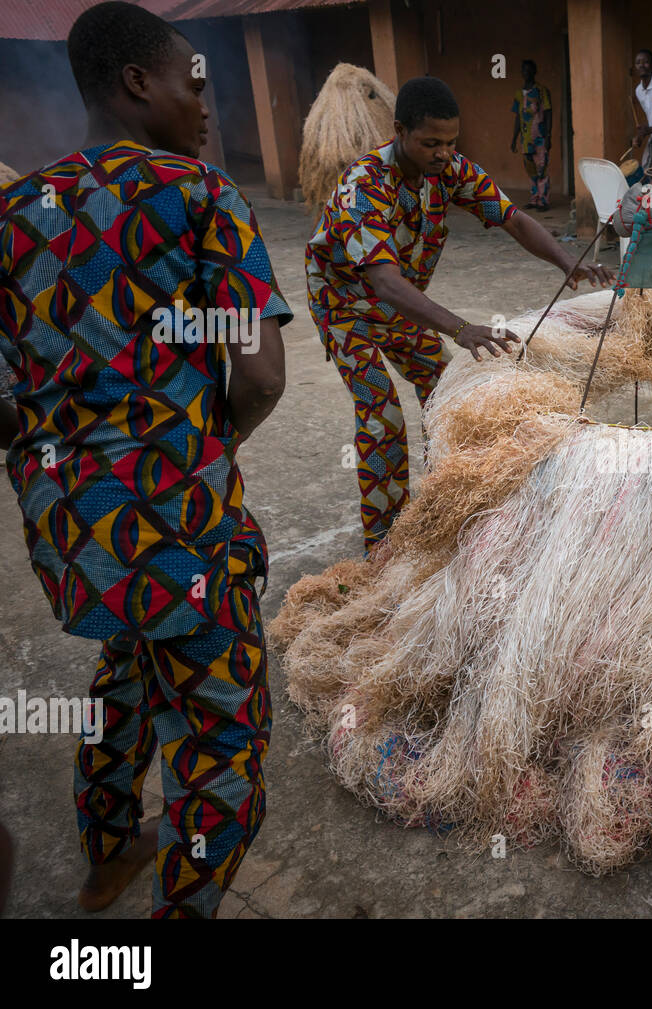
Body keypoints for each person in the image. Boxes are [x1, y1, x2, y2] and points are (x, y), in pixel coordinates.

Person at [0, 1, 292, 918]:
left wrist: (65, 463)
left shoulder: (12, 214)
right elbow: (260, 375)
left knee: (126, 667)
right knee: (223, 751)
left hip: (81, 548)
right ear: (137, 84)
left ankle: (108, 850)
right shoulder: (200, 197)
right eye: (194, 84)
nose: (208, 108)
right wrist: (197, 457)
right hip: (183, 538)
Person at [306, 77, 612, 556]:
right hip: (347, 309)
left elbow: (512, 217)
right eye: (430, 143)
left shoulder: (449, 171)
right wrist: (460, 328)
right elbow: (384, 281)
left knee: (448, 398)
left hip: (402, 305)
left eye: (450, 143)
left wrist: (566, 261)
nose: (443, 153)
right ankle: (383, 546)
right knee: (382, 416)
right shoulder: (362, 185)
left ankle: (441, 507)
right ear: (400, 130)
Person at [510, 59, 552, 210]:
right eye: (524, 70)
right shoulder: (518, 94)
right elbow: (517, 117)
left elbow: (548, 112)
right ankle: (534, 199)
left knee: (542, 169)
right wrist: (514, 139)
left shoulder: (541, 91)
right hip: (525, 140)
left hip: (539, 139)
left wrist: (548, 136)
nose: (526, 73)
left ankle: (543, 201)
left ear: (534, 72)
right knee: (531, 171)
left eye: (529, 70)